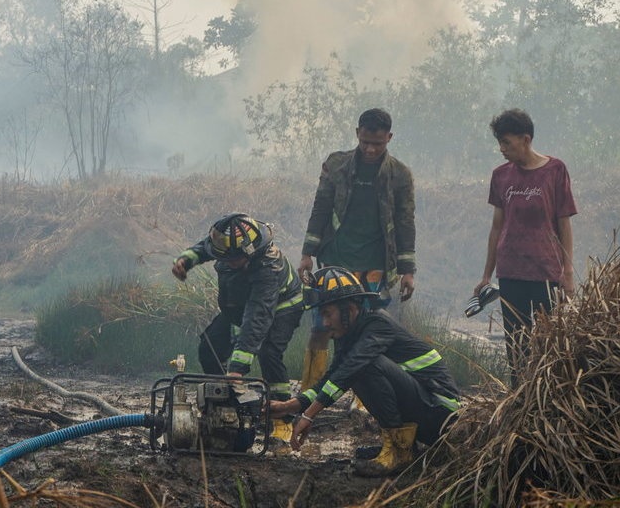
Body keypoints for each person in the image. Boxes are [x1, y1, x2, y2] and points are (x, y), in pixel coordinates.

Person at [270, 267, 461, 476]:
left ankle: (399, 452)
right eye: (321, 315)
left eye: (328, 314)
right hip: (423, 409)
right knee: (351, 369)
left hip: (440, 415)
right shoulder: (349, 333)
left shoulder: (378, 324)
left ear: (350, 309)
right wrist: (291, 406)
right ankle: (399, 445)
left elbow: (349, 371)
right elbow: (332, 377)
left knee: (364, 366)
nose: (324, 323)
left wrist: (309, 416)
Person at [296, 108, 417, 392]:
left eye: (378, 144)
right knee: (321, 326)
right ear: (356, 134)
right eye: (365, 142)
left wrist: (408, 271)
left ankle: (364, 396)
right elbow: (321, 208)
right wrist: (307, 254)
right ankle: (310, 391)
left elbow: (405, 222)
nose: (370, 149)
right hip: (334, 262)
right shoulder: (336, 165)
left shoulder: (400, 175)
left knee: (367, 332)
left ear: (389, 138)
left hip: (375, 265)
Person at [171, 213, 305, 443]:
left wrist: (237, 369)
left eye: (233, 259)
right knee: (209, 347)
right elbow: (204, 248)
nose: (227, 263)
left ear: (250, 252)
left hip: (282, 306)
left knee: (269, 353)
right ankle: (222, 407)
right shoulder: (227, 244)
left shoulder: (268, 267)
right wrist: (185, 260)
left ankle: (283, 421)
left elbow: (257, 318)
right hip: (241, 307)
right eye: (224, 258)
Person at [475, 109, 577, 388]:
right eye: (500, 142)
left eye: (506, 142)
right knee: (517, 344)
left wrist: (568, 272)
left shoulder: (555, 170)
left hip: (546, 271)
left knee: (549, 344)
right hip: (511, 271)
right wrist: (486, 275)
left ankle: (547, 397)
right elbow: (497, 228)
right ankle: (520, 397)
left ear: (526, 139)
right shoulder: (500, 176)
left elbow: (564, 223)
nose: (502, 149)